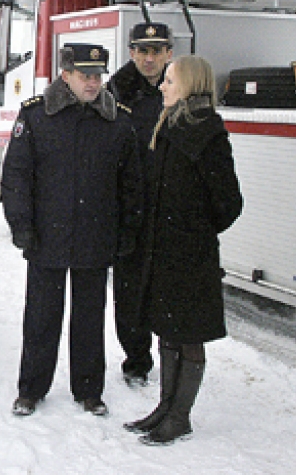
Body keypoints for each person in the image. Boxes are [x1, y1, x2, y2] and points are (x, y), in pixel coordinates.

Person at [2, 43, 142, 418]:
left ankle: (89, 390)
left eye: (98, 75)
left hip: (96, 236)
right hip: (47, 234)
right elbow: (16, 176)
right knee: (41, 317)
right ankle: (31, 388)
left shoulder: (117, 121)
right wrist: (21, 224)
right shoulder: (37, 116)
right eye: (85, 75)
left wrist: (128, 229)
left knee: (90, 319)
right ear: (65, 75)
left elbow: (131, 183)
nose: (94, 83)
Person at [125, 55, 243, 446]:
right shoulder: (170, 125)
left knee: (188, 335)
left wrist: (193, 232)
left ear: (190, 85)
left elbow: (228, 203)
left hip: (190, 258)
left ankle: (180, 417)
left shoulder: (207, 134)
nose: (162, 86)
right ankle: (164, 408)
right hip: (162, 253)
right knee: (167, 330)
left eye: (170, 80)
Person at [106, 22, 174, 387]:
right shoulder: (115, 93)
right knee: (130, 289)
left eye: (156, 51)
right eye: (142, 51)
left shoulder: (180, 91)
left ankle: (173, 356)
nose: (149, 59)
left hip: (167, 207)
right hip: (128, 206)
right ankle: (136, 359)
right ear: (131, 53)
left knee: (165, 287)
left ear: (169, 54)